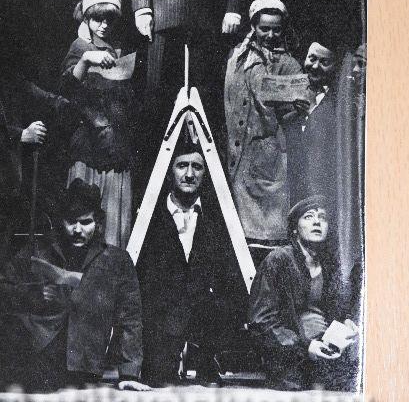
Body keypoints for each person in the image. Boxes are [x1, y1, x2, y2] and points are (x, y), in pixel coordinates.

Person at [0, 179, 147, 392]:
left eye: (85, 222)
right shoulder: (38, 250)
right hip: (36, 364)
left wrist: (130, 373)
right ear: (61, 220)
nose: (77, 230)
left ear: (98, 222)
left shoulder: (117, 260)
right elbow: (4, 288)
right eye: (71, 221)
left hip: (86, 367)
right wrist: (32, 293)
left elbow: (130, 319)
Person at [136, 137, 231, 387]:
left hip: (202, 317)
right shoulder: (150, 217)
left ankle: (205, 359)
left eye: (197, 167)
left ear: (205, 174)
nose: (189, 174)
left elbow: (224, 278)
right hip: (161, 319)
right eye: (182, 166)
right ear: (170, 172)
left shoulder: (217, 219)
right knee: (157, 380)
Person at [248, 196, 360, 392]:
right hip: (291, 362)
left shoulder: (330, 265)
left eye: (322, 217)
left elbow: (338, 312)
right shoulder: (278, 260)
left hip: (328, 356)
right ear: (295, 228)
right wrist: (306, 347)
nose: (317, 222)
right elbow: (261, 321)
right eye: (308, 217)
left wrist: (347, 322)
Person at [60, 0, 138, 248]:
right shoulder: (80, 46)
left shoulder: (118, 50)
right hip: (89, 153)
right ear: (87, 19)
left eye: (109, 20)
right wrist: (85, 60)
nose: (103, 25)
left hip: (116, 151)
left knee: (114, 232)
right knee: (83, 224)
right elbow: (65, 90)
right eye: (97, 19)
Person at [224, 0, 302, 255]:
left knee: (267, 232)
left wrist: (294, 107)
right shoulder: (238, 57)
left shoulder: (289, 64)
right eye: (264, 28)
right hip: (240, 153)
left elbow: (293, 116)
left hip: (270, 159)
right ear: (253, 27)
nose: (270, 35)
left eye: (276, 30)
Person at [0, 69, 71, 268]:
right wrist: (20, 135)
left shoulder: (8, 78)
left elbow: (41, 96)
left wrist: (68, 105)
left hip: (9, 184)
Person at [285, 41, 340, 207]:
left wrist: (312, 112)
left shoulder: (339, 100)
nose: (315, 66)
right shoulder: (289, 91)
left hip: (321, 192)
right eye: (312, 58)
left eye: (324, 62)